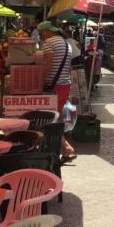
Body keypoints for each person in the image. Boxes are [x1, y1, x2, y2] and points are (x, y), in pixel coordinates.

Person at [39, 21, 76, 160]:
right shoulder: (66, 43)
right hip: (65, 84)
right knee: (56, 117)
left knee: (50, 118)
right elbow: (68, 68)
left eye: (41, 33)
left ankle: (66, 148)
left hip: (54, 86)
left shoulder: (49, 43)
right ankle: (63, 148)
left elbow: (47, 63)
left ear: (47, 32)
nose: (41, 37)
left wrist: (41, 81)